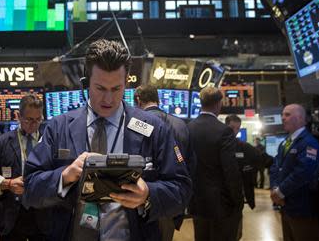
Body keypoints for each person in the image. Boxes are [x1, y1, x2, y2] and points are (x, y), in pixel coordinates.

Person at [23, 39, 192, 241]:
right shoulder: (58, 128)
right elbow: (30, 188)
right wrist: (64, 176)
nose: (108, 100)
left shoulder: (153, 128)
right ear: (86, 82)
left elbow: (182, 189)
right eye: (100, 88)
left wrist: (148, 194)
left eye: (116, 89)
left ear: (127, 81)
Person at [0, 94, 48, 241]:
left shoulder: (49, 141)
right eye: (29, 120)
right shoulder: (2, 143)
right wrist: (8, 184)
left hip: (43, 217)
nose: (34, 124)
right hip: (11, 216)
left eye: (38, 119)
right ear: (18, 116)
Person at [134, 84, 194, 241]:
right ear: (158, 99)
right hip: (173, 201)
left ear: (138, 100)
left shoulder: (135, 124)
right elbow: (191, 167)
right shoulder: (181, 124)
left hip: (144, 201)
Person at [188, 87, 243, 241]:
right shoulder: (224, 131)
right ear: (219, 104)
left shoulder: (188, 128)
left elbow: (181, 161)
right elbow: (230, 169)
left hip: (197, 201)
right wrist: (238, 201)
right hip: (221, 204)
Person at [269, 104, 319, 241]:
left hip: (302, 207)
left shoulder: (309, 142)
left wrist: (280, 192)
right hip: (286, 206)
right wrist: (274, 188)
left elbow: (303, 172)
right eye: (283, 115)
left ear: (299, 118)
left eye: (287, 115)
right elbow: (275, 167)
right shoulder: (285, 143)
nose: (283, 118)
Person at [225, 114, 262, 240]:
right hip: (220, 198)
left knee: (237, 233)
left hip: (237, 198)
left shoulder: (244, 147)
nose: (234, 131)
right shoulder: (217, 145)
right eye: (231, 128)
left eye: (237, 128)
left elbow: (263, 159)